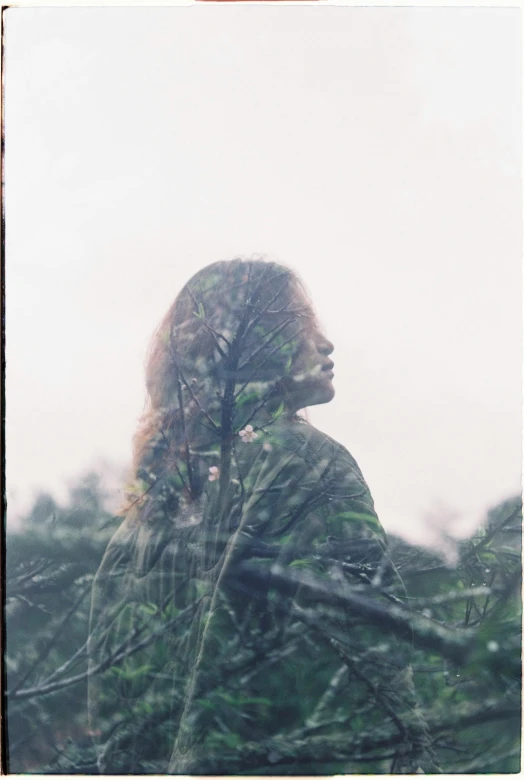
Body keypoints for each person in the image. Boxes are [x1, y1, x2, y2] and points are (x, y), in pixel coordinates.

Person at [88, 258, 433, 774]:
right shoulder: (307, 462)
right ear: (252, 343)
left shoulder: (143, 520)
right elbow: (364, 665)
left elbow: (113, 722)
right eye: (300, 323)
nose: (326, 342)